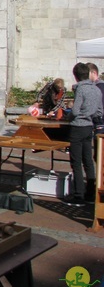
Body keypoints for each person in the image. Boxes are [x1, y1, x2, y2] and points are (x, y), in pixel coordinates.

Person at [63, 63, 102, 206]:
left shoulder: (81, 89)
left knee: (76, 162)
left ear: (76, 76)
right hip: (89, 126)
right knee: (88, 161)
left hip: (78, 127)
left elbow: (74, 111)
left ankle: (78, 195)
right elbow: (99, 111)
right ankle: (91, 194)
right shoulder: (96, 90)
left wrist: (71, 116)